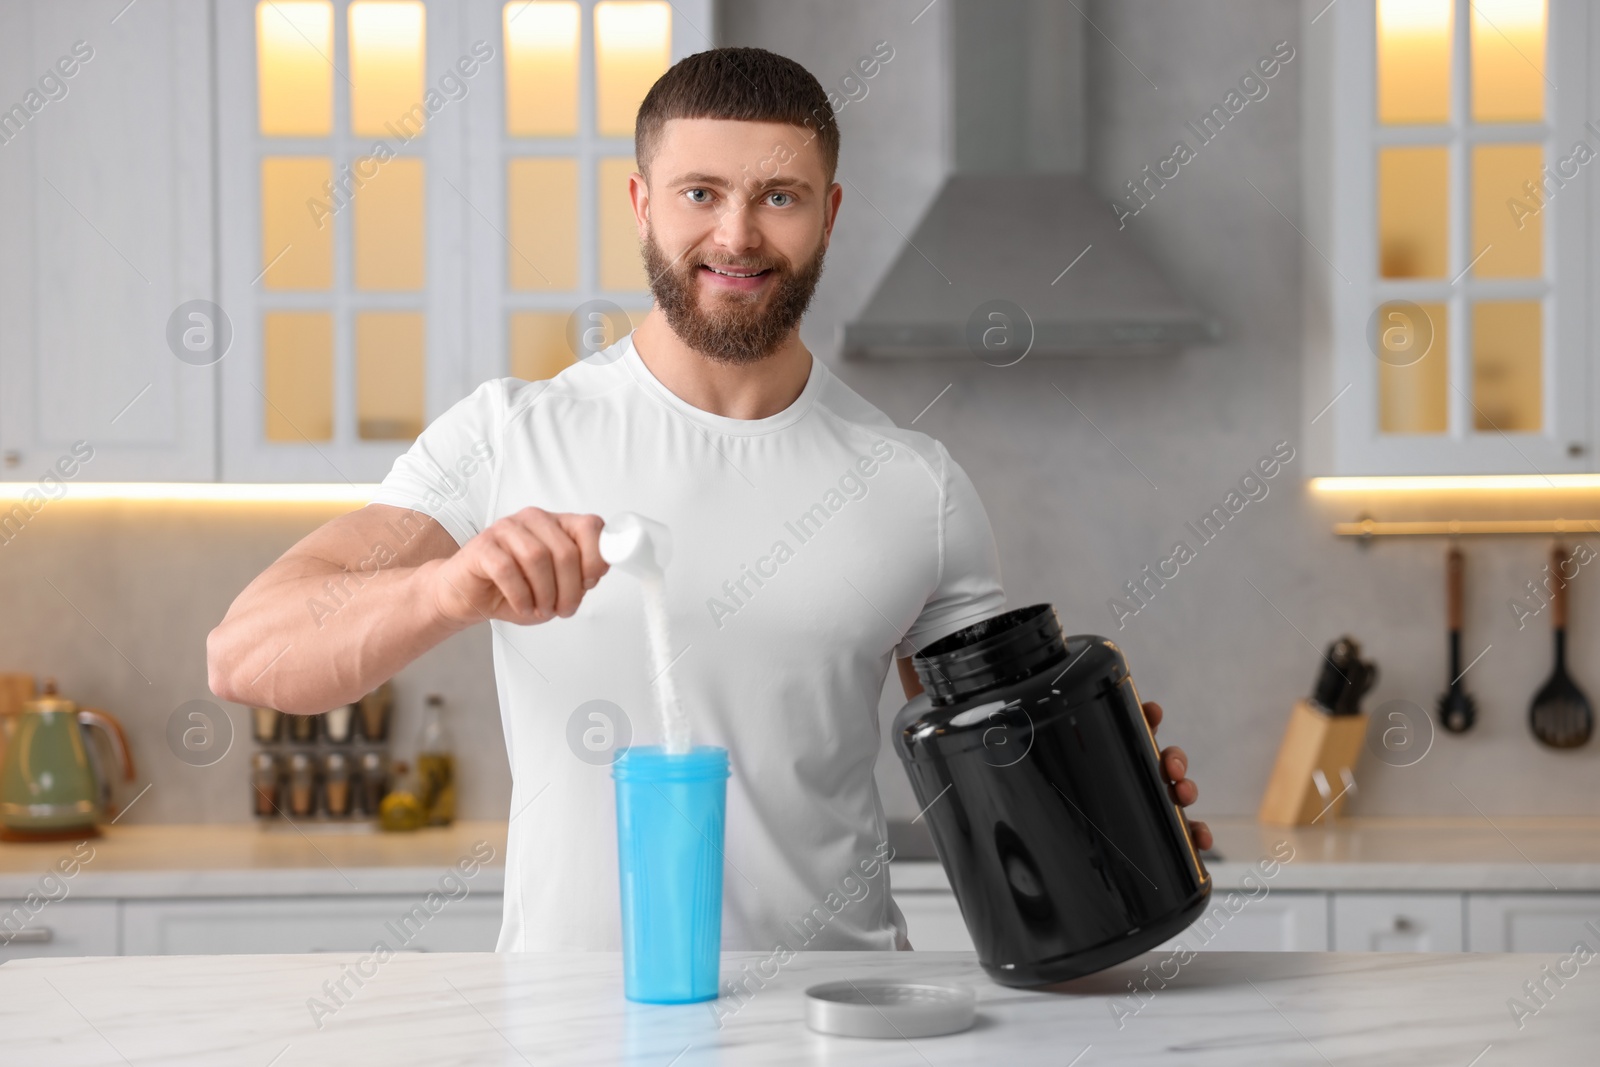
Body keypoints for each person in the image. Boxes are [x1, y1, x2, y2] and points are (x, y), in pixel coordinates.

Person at [208, 47, 1209, 953]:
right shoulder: (510, 435)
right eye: (700, 192)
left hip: (829, 1023)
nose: (736, 234)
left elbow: (1001, 761)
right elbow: (246, 655)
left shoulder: (913, 484)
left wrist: (1108, 828)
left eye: (779, 196)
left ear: (829, 211)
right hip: (572, 1027)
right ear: (642, 201)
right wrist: (445, 589)